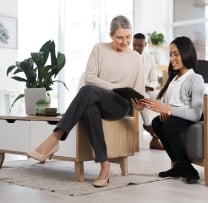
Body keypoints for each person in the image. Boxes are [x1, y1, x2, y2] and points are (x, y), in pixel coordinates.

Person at [27, 15, 144, 188]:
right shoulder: (99, 49)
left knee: (87, 91)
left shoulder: (135, 58)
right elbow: (89, 77)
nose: (125, 41)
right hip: (98, 99)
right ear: (111, 35)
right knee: (89, 109)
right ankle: (105, 166)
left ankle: (55, 138)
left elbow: (139, 90)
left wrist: (138, 104)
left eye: (128, 37)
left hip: (121, 104)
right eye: (120, 37)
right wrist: (113, 87)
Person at [141, 36, 205, 184]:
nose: (172, 58)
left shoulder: (196, 78)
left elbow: (196, 113)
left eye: (176, 54)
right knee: (157, 123)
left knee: (169, 126)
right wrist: (144, 103)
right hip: (174, 116)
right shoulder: (173, 78)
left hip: (188, 116)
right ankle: (177, 165)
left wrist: (168, 110)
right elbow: (164, 102)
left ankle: (188, 169)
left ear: (186, 53)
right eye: (170, 54)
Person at [132, 33, 163, 150]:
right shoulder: (127, 56)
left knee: (163, 98)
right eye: (134, 45)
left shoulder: (150, 59)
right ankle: (151, 130)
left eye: (140, 45)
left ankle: (162, 130)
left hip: (147, 88)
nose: (136, 48)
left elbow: (154, 80)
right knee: (144, 97)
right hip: (134, 89)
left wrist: (149, 86)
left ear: (145, 44)